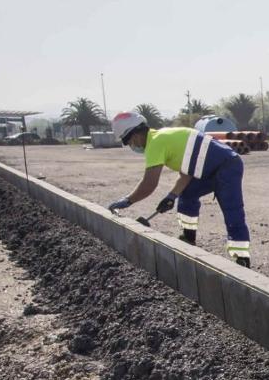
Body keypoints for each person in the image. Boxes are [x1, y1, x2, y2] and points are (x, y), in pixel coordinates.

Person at [106, 111, 252, 267]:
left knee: (231, 209)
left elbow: (149, 184)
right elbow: (187, 172)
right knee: (187, 194)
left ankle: (242, 257)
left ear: (134, 135)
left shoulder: (155, 143)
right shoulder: (164, 136)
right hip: (210, 169)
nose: (131, 146)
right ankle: (188, 238)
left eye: (128, 142)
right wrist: (172, 196)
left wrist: (128, 200)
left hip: (227, 166)